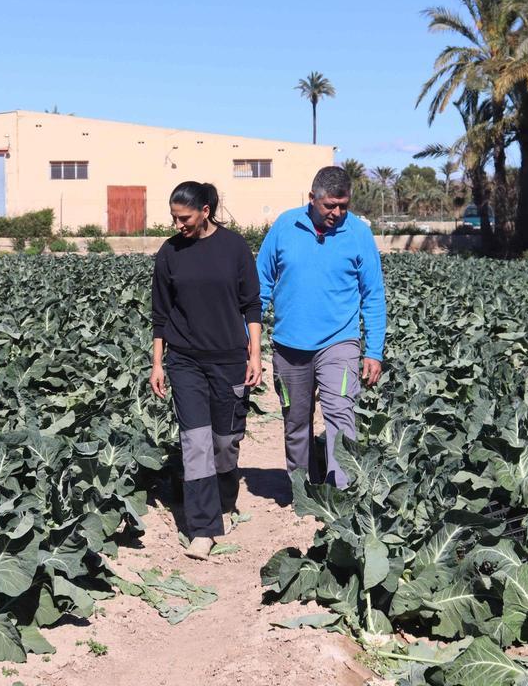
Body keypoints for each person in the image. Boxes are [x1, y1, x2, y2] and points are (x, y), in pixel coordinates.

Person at [150, 182, 262, 560]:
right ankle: (203, 527)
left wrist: (255, 355)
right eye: (174, 218)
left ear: (205, 212)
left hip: (230, 357)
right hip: (185, 361)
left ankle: (225, 500)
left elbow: (252, 306)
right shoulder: (169, 253)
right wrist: (157, 363)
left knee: (224, 442)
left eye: (184, 218)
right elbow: (160, 314)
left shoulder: (234, 248)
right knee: (195, 442)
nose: (178, 224)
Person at [257, 166, 385, 489]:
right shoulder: (285, 227)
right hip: (289, 346)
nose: (337, 213)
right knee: (295, 421)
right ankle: (302, 488)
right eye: (330, 205)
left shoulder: (358, 234)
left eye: (344, 205)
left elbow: (373, 295)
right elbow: (259, 286)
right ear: (312, 198)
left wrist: (374, 351)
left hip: (338, 342)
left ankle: (342, 494)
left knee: (340, 417)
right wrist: (249, 342)